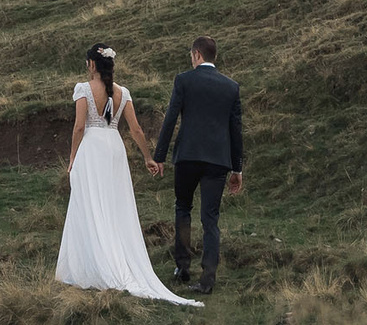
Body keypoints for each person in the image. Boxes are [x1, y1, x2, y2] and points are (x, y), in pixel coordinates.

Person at [54, 43, 198, 305]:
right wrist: (147, 157)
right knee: (114, 205)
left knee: (88, 203)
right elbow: (136, 130)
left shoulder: (83, 89)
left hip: (92, 148)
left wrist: (73, 156)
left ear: (93, 65)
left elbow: (77, 128)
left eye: (88, 63)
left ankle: (91, 264)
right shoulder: (124, 93)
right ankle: (113, 256)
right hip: (114, 149)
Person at [148, 35, 243, 294]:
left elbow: (170, 120)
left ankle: (182, 267)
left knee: (183, 208)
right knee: (210, 219)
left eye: (191, 55)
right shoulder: (231, 87)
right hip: (218, 161)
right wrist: (237, 169)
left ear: (197, 55)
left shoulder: (184, 80)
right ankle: (208, 279)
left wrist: (159, 156)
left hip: (188, 156)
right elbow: (236, 130)